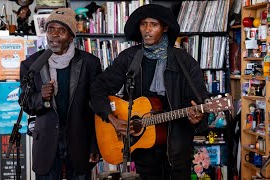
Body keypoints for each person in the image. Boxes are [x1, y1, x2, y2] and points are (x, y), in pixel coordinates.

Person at [90, 4, 209, 180]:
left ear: (165, 28)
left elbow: (199, 102)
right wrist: (111, 117)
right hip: (142, 148)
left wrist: (197, 118)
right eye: (143, 24)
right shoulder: (129, 58)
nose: (147, 29)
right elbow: (98, 88)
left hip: (177, 149)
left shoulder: (185, 61)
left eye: (153, 24)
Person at [19, 8, 101, 180]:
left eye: (61, 30)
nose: (54, 35)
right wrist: (41, 97)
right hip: (46, 142)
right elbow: (25, 103)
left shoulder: (89, 64)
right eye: (50, 29)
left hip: (80, 141)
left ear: (71, 37)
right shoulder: (31, 64)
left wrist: (95, 144)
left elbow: (96, 107)